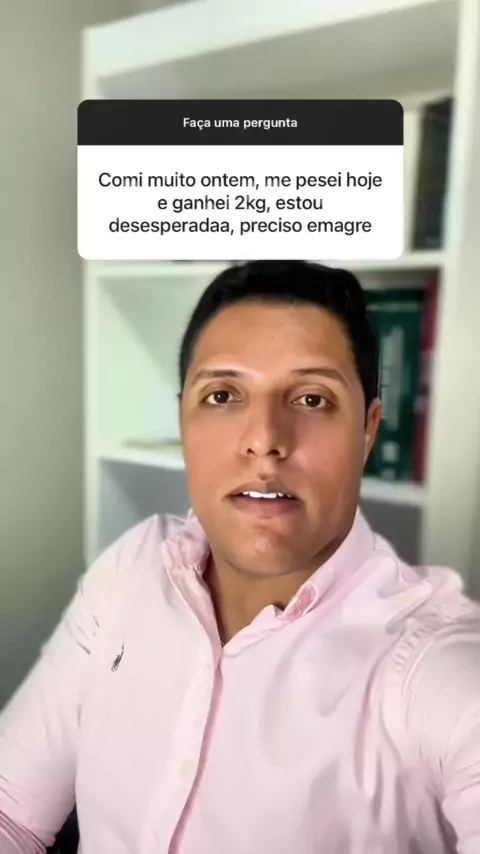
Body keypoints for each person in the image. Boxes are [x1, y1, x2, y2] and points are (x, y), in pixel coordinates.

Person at [0, 260, 479, 854]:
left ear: (368, 430)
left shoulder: (429, 667)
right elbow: (12, 812)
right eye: (223, 395)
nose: (264, 439)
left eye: (312, 398)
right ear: (183, 420)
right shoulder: (134, 567)